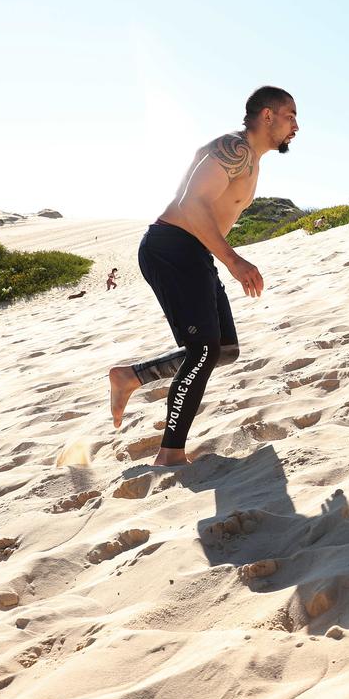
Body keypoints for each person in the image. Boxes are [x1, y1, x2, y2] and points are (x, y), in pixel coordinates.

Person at [108, 86, 298, 466]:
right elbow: (190, 203)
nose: (296, 125)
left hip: (192, 251)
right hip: (172, 247)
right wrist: (233, 260)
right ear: (267, 116)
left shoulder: (249, 158)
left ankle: (131, 377)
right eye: (290, 115)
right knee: (204, 350)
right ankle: (170, 453)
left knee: (224, 349)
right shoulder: (234, 150)